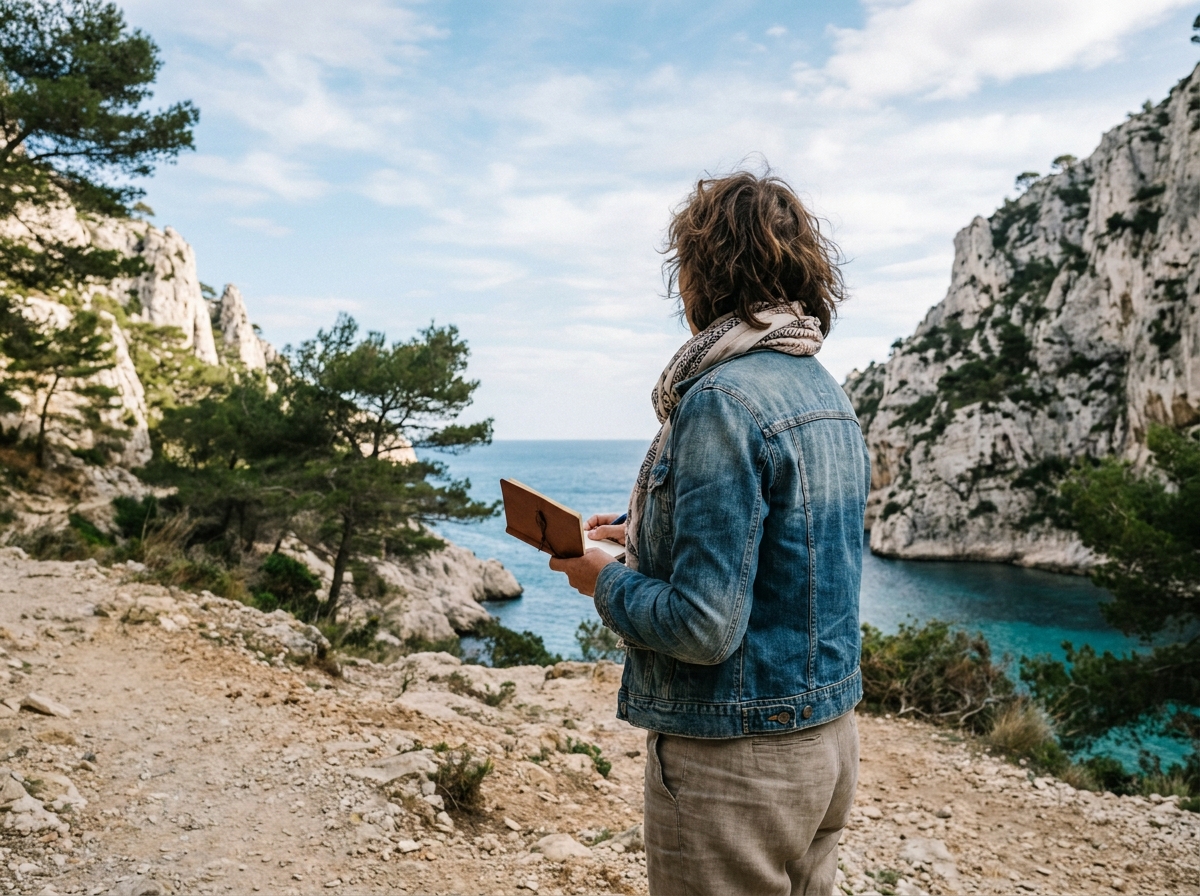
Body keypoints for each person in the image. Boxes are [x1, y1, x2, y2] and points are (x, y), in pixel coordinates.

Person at [549, 170, 870, 896]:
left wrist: (604, 577)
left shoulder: (720, 399)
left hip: (738, 761)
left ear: (700, 273)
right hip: (827, 741)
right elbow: (791, 545)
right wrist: (646, 533)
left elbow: (703, 628)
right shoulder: (823, 389)